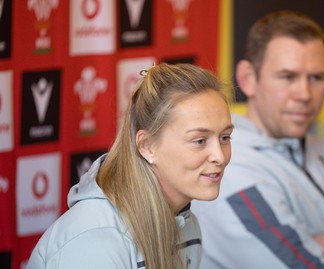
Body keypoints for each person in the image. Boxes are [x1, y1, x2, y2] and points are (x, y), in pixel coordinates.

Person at [191, 10, 324, 269]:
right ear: (248, 78)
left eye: (316, 78)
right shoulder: (226, 167)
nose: (304, 94)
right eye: (287, 77)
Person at [27, 63, 234, 269]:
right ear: (147, 146)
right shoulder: (95, 241)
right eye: (199, 141)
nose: (219, 156)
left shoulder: (187, 225)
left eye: (225, 137)